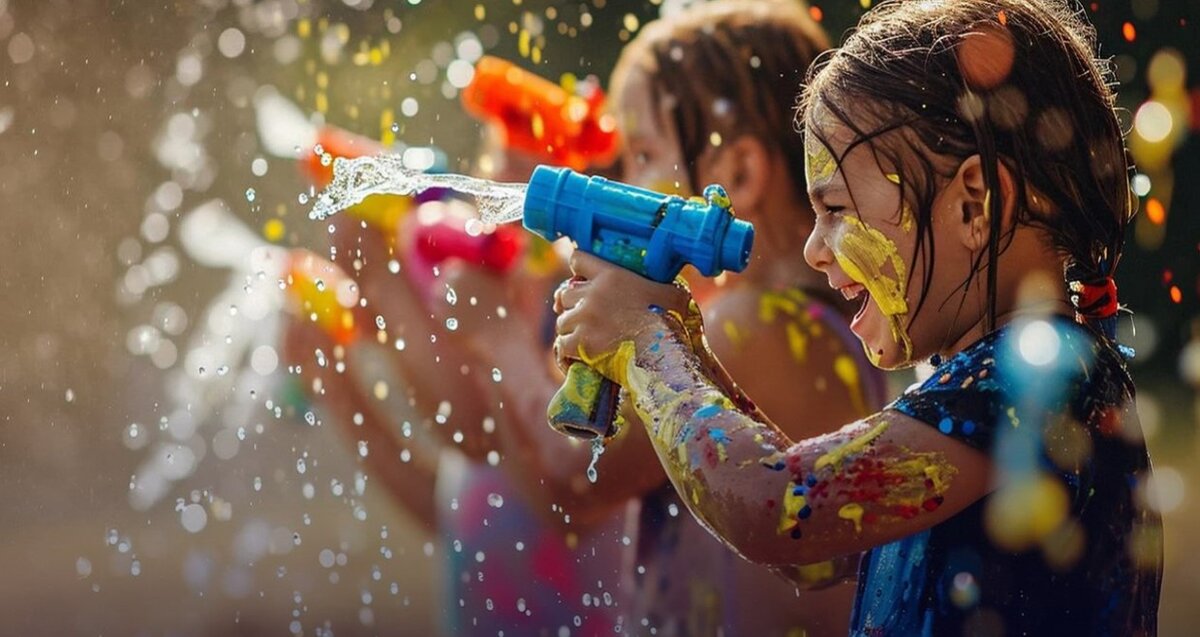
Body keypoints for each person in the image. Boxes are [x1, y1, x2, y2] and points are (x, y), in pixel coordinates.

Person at [551, 0, 1163, 634]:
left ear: (974, 205)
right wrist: (686, 348)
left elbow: (779, 511)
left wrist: (649, 345)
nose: (817, 250)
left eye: (836, 209)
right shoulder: (1001, 378)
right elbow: (817, 555)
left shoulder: (1033, 379)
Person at [432, 2, 885, 634]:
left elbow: (571, 489)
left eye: (643, 154)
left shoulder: (759, 328)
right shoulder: (758, 322)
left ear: (740, 174)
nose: (624, 180)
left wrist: (501, 338)